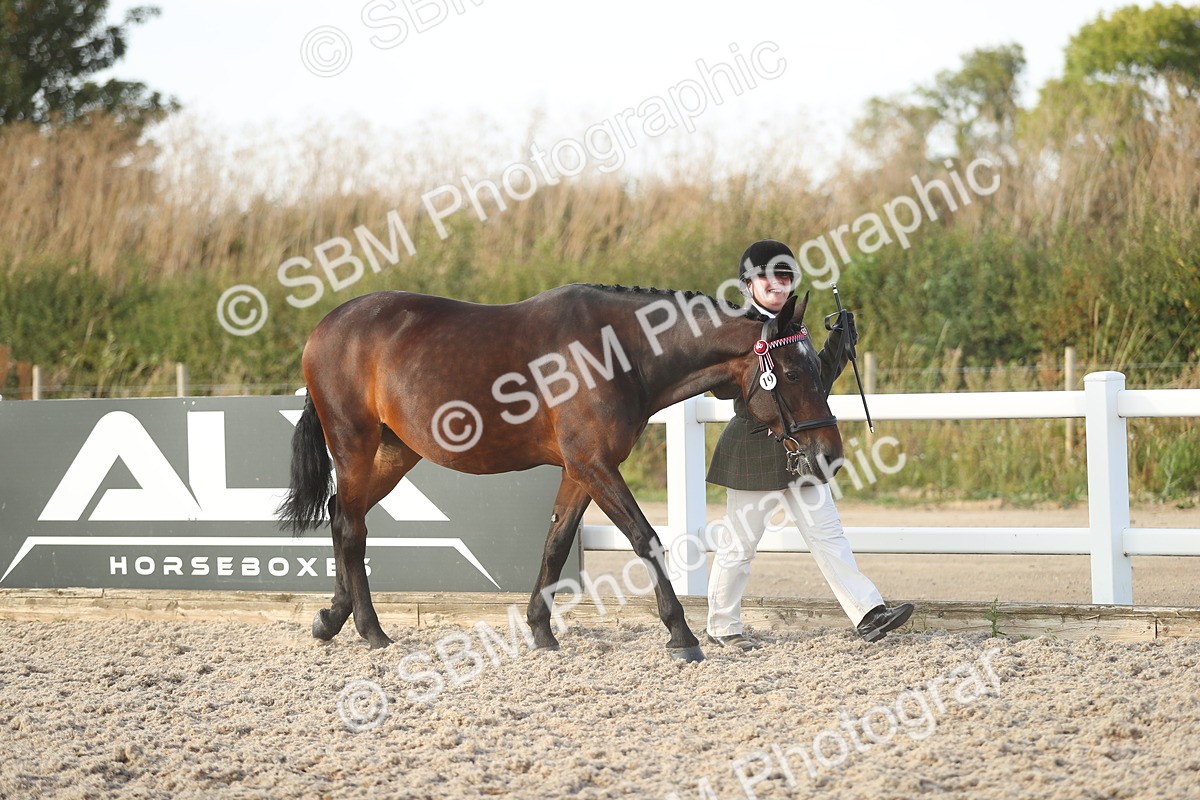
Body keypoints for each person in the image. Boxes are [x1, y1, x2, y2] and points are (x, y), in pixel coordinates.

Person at [704, 239, 913, 651]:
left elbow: (811, 388)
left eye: (786, 277)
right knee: (741, 545)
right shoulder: (737, 328)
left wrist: (839, 343)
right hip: (754, 448)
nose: (779, 286)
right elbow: (724, 392)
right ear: (748, 283)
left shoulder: (794, 324)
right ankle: (722, 625)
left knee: (828, 535)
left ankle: (869, 613)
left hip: (800, 448)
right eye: (770, 278)